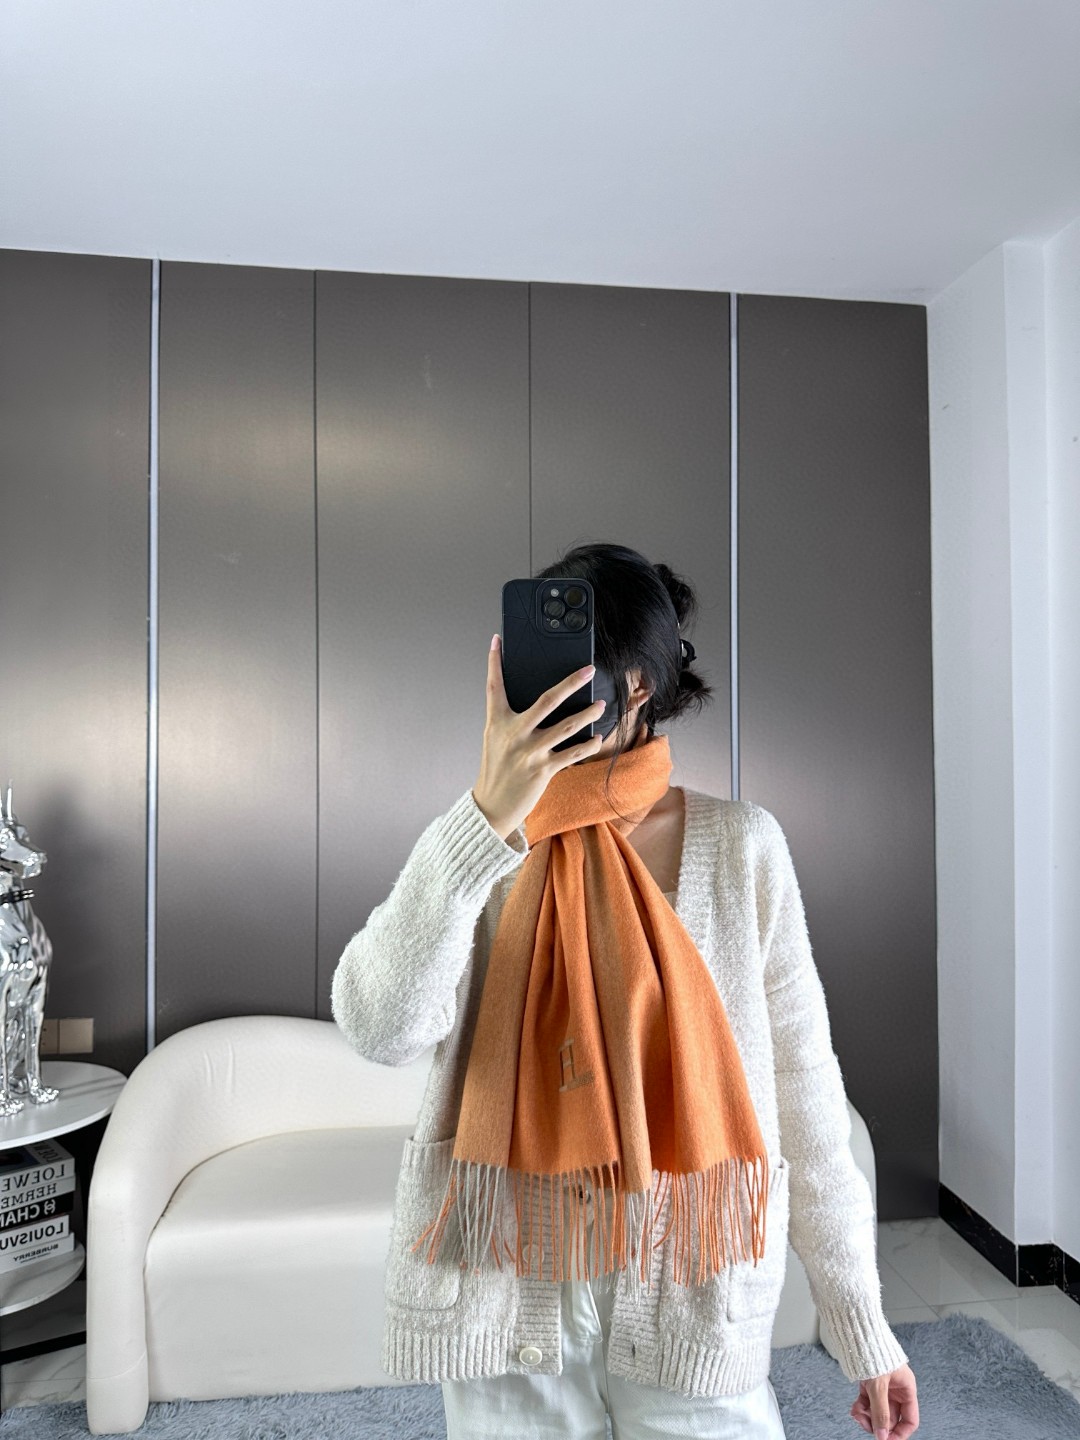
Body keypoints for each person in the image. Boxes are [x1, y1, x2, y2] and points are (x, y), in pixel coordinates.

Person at [331, 542, 920, 1440]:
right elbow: (379, 1028)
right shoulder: (482, 849)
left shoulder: (741, 848)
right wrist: (483, 818)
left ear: (638, 685)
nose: (548, 691)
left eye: (577, 668)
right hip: (509, 1292)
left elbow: (806, 1093)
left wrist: (862, 1326)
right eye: (535, 667)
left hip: (688, 1292)